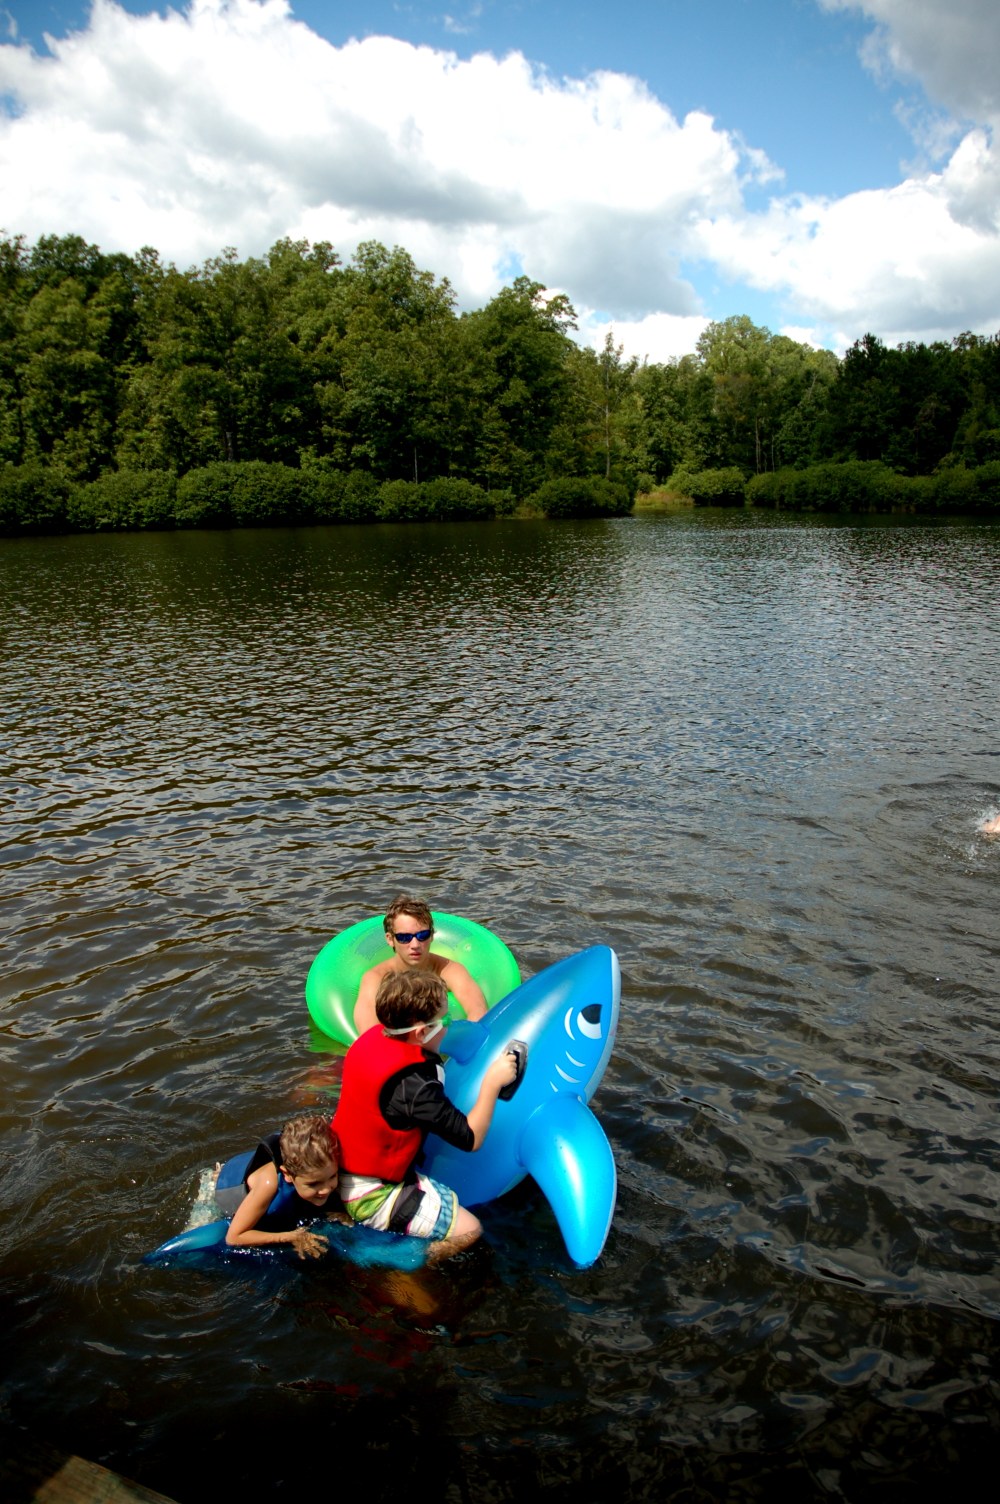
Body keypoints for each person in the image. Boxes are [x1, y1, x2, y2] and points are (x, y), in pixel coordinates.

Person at [334, 970, 517, 1265]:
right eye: (444, 1021)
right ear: (421, 1032)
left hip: (340, 1164)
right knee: (470, 1231)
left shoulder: (371, 1036)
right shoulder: (416, 1087)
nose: (449, 1025)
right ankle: (392, 1259)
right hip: (370, 1192)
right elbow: (471, 1139)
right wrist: (492, 1083)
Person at [353, 895, 487, 1036]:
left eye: (422, 935)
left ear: (432, 936)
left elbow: (478, 1010)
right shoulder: (376, 978)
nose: (415, 945)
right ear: (390, 939)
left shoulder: (448, 969)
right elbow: (368, 1031)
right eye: (404, 937)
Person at [217, 1113, 346, 1259]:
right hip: (230, 1185)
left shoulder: (325, 1163)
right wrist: (289, 1237)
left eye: (332, 1177)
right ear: (287, 1174)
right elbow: (234, 1237)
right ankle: (214, 1176)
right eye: (313, 1184)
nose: (325, 1189)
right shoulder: (269, 1186)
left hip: (273, 1165)